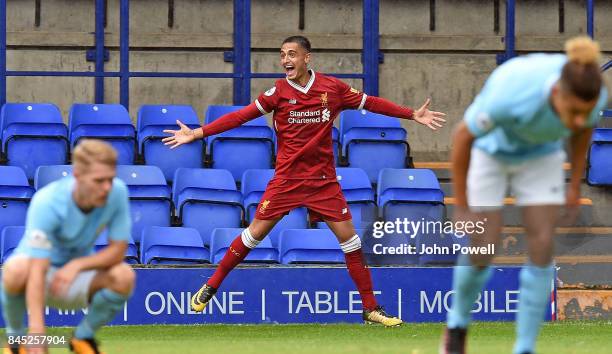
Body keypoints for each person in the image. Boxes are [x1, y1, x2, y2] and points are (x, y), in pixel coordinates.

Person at [163, 35, 446, 326]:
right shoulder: (278, 93)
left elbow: (371, 103)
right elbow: (240, 117)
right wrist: (197, 133)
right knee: (254, 234)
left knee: (351, 241)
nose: (286, 60)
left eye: (292, 54)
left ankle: (370, 309)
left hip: (323, 181)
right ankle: (212, 284)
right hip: (287, 180)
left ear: (307, 58)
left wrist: (411, 114)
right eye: (282, 54)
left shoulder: (332, 88)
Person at [441, 36, 607, 354]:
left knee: (543, 244)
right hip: (491, 154)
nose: (575, 120)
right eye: (571, 110)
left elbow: (583, 129)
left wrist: (574, 187)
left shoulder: (593, 93)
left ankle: (525, 347)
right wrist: (462, 205)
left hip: (541, 156)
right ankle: (457, 326)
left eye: (582, 112)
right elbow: (462, 137)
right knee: (484, 246)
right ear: (557, 92)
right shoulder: (512, 90)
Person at [1, 140, 135, 354]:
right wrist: (37, 333)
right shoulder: (47, 201)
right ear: (78, 176)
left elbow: (118, 250)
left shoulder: (117, 192)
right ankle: (16, 342)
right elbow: (37, 268)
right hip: (36, 277)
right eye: (99, 180)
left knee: (124, 276)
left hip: (77, 277)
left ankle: (83, 338)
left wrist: (78, 265)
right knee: (14, 269)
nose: (107, 187)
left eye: (110, 179)